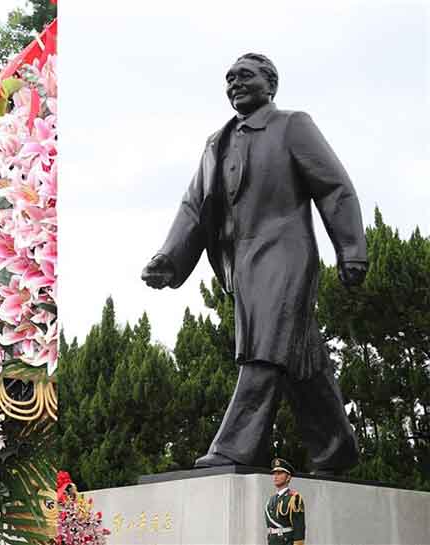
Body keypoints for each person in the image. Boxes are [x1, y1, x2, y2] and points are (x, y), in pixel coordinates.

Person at [141, 53, 367, 473]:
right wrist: (168, 259)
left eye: (244, 76)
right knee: (300, 357)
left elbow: (334, 187)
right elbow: (195, 207)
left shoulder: (292, 125)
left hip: (286, 251)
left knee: (264, 347)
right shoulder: (215, 142)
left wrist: (351, 250)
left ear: (271, 84)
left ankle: (236, 446)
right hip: (240, 264)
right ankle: (336, 446)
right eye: (228, 79)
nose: (234, 85)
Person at [266, 458, 305, 545]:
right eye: (274, 474)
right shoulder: (271, 500)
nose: (275, 476)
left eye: (279, 473)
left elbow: (299, 528)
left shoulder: (294, 499)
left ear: (288, 477)